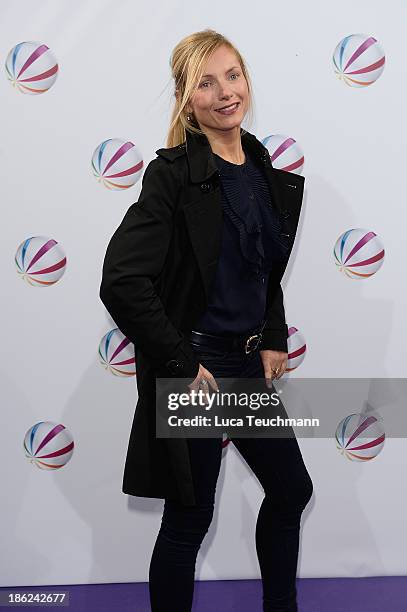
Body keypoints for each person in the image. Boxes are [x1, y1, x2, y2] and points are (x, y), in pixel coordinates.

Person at [99, 29, 313, 612]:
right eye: (206, 83)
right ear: (186, 99)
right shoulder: (172, 176)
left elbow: (261, 265)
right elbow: (121, 280)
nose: (224, 92)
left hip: (245, 365)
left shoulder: (264, 166)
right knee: (190, 517)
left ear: (247, 80)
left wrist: (271, 335)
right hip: (199, 368)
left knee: (292, 489)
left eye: (233, 75)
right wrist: (180, 362)